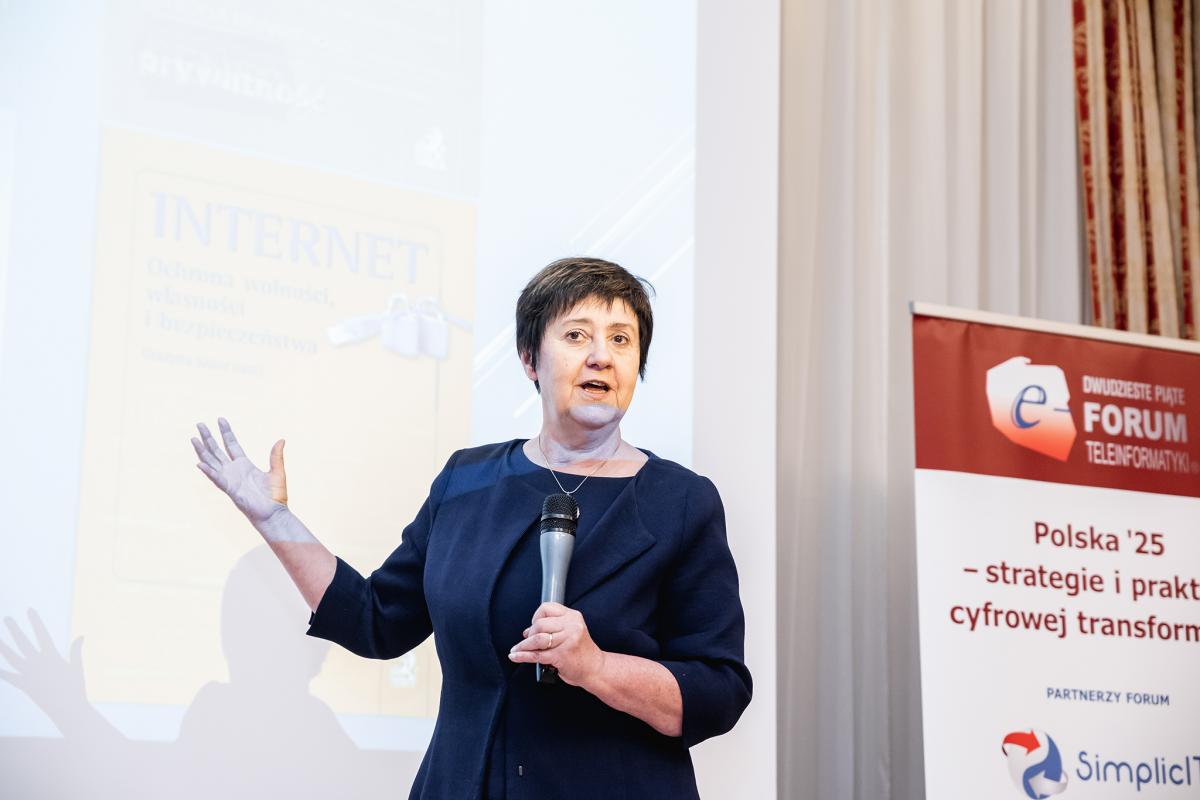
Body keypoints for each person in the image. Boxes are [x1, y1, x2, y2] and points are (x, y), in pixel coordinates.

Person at [191, 256, 752, 799]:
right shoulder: (468, 481)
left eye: (621, 340)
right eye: (577, 335)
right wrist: (273, 517)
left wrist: (597, 667)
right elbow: (374, 621)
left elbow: (718, 691)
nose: (601, 356)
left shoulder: (681, 501)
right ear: (530, 359)